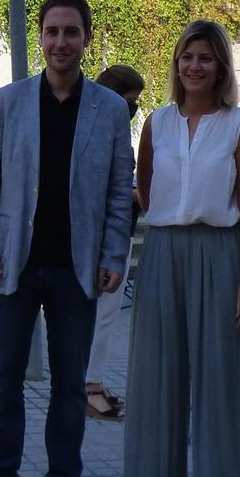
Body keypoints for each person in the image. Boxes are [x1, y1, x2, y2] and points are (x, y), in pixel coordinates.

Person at [0, 0, 134, 477]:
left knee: (69, 386)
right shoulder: (8, 102)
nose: (61, 41)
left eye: (71, 32)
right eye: (52, 31)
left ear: (86, 38)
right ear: (40, 36)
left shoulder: (109, 109)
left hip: (76, 270)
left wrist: (113, 254)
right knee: (4, 381)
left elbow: (118, 192)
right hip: (13, 266)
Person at [121, 21, 240, 477]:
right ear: (176, 64)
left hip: (221, 255)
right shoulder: (156, 123)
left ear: (221, 66)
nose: (194, 67)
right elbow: (144, 187)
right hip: (163, 255)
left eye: (206, 58)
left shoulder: (239, 125)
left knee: (220, 386)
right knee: (156, 381)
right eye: (187, 57)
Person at [83, 64, 145, 421]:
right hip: (103, 241)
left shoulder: (110, 126)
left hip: (113, 236)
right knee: (100, 317)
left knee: (102, 318)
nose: (132, 110)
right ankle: (89, 386)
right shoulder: (99, 128)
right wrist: (135, 194)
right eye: (129, 102)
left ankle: (94, 380)